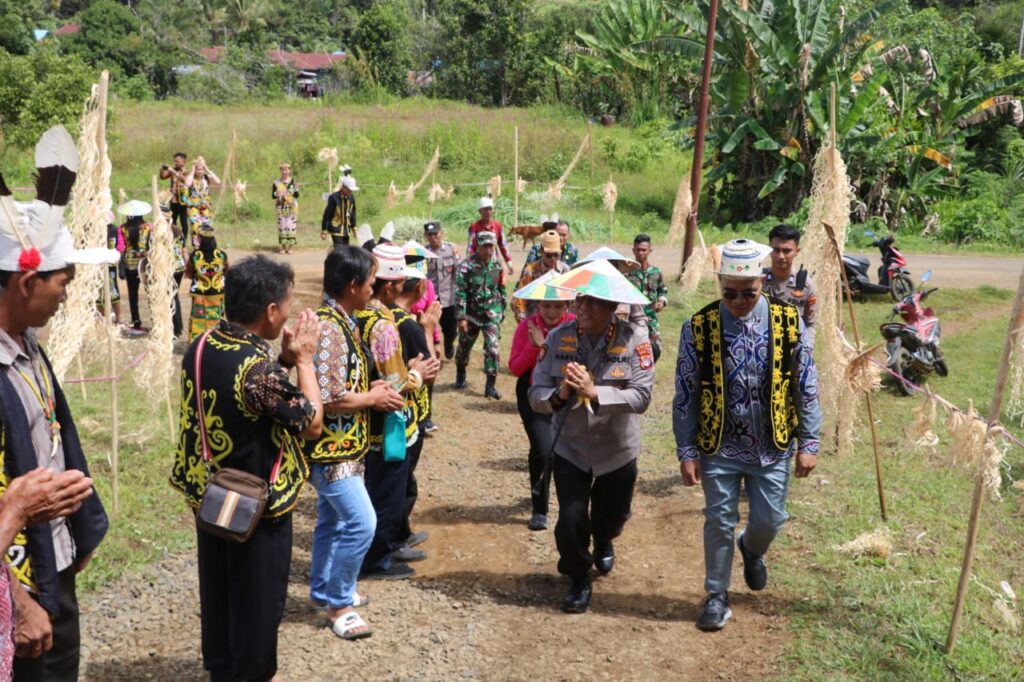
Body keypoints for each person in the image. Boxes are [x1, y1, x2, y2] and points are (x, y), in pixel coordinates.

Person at [171, 255, 324, 680]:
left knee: (219, 592)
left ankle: (222, 669)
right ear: (270, 310)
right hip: (256, 509)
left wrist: (283, 362)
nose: (289, 314)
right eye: (288, 305)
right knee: (256, 604)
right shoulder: (257, 371)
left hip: (211, 497)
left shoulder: (203, 343)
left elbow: (248, 397)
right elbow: (311, 423)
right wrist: (305, 361)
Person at [0, 131, 112, 681]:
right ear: (27, 281)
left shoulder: (26, 346)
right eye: (62, 282)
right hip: (15, 588)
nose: (66, 295)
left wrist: (74, 532)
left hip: (51, 565)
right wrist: (17, 603)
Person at [673, 238, 821, 632]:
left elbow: (806, 385)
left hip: (773, 446)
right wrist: (687, 450)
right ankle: (716, 595)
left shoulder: (788, 323)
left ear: (762, 282)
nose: (739, 301)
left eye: (748, 293)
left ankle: (751, 548)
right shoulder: (699, 327)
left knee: (770, 520)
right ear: (720, 285)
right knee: (719, 519)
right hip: (719, 445)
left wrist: (809, 441)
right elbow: (685, 392)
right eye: (730, 293)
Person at [528, 263, 655, 614]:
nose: (583, 307)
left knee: (611, 517)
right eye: (580, 299)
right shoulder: (558, 338)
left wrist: (594, 392)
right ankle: (578, 576)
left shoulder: (635, 340)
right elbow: (535, 392)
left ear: (612, 306)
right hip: (570, 446)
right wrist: (559, 394)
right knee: (570, 520)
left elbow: (641, 397)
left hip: (617, 449)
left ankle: (604, 541)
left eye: (594, 301)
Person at [304, 246, 405, 640]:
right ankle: (339, 604)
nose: (373, 289)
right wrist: (372, 398)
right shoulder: (330, 328)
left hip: (345, 444)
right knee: (362, 523)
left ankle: (323, 590)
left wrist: (368, 386)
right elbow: (328, 397)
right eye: (370, 282)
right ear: (352, 285)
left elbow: (339, 383)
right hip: (333, 449)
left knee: (331, 521)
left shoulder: (341, 321)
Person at [356, 245, 440, 581]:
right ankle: (378, 558)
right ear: (390, 286)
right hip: (386, 423)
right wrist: (417, 373)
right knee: (387, 492)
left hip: (364, 419)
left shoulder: (357, 313)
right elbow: (395, 384)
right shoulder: (383, 325)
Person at [508, 297, 574, 531]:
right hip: (533, 393)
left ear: (567, 306)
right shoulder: (526, 328)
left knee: (567, 452)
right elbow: (515, 367)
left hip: (567, 394)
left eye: (557, 306)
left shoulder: (575, 327)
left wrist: (545, 344)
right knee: (543, 450)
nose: (551, 312)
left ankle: (571, 506)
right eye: (546, 306)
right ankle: (539, 508)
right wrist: (534, 347)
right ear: (538, 306)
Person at [391, 265, 441, 557]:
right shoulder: (408, 326)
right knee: (403, 480)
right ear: (420, 288)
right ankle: (395, 539)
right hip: (410, 414)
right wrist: (429, 330)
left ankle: (401, 532)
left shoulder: (385, 317)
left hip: (395, 409)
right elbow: (430, 372)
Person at [453, 231, 506, 400]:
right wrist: (461, 317)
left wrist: (502, 310)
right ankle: (460, 374)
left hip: (491, 314)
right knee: (464, 347)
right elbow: (460, 292)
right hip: (471, 315)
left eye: (491, 246)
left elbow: (501, 288)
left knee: (493, 348)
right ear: (478, 246)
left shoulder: (497, 265)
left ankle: (490, 386)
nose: (489, 250)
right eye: (485, 246)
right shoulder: (466, 266)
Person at [764, 224, 817, 345]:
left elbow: (810, 324)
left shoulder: (806, 286)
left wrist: (806, 349)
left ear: (797, 251)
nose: (780, 256)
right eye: (776, 250)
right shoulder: (758, 280)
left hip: (792, 346)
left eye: (786, 251)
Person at [626, 234, 669, 363]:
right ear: (633, 250)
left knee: (655, 349)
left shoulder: (656, 272)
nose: (641, 253)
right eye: (638, 249)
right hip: (631, 319)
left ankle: (649, 371)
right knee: (631, 349)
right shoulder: (626, 273)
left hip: (651, 319)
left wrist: (662, 301)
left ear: (650, 251)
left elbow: (662, 290)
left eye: (644, 250)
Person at [511, 230, 569, 323]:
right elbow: (519, 300)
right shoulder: (530, 271)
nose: (553, 259)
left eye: (556, 255)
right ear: (541, 252)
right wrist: (524, 323)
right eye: (549, 255)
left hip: (559, 321)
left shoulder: (565, 271)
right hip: (535, 321)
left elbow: (571, 300)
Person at [423, 221, 460, 360]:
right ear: (426, 236)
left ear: (441, 233)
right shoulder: (424, 253)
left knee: (451, 330)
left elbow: (459, 270)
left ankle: (449, 343)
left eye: (435, 234)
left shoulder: (451, 250)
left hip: (448, 297)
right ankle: (431, 350)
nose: (433, 237)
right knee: (428, 326)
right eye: (430, 235)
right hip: (431, 297)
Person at [186, 225, 228, 340]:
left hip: (200, 293)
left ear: (201, 239)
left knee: (199, 319)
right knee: (217, 319)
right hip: (217, 293)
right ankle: (217, 340)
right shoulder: (221, 255)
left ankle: (198, 342)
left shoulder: (195, 256)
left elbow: (188, 274)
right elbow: (227, 271)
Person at [116, 203, 152, 332]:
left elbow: (121, 248)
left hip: (129, 265)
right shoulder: (148, 227)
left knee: (132, 295)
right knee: (151, 294)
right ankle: (155, 320)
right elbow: (151, 246)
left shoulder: (122, 229)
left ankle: (136, 322)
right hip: (145, 265)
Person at [181, 156, 221, 249]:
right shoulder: (191, 178)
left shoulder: (206, 178)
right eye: (198, 169)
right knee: (195, 226)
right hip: (193, 207)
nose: (200, 171)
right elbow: (187, 184)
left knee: (206, 227)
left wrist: (208, 169)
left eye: (202, 169)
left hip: (205, 207)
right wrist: (192, 171)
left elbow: (218, 181)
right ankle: (196, 246)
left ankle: (206, 246)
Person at [467, 197, 513, 276]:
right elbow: (470, 247)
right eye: (485, 210)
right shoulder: (475, 227)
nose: (488, 212)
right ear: (480, 211)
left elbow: (503, 245)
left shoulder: (497, 226)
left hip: (493, 263)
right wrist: (469, 264)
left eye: (490, 209)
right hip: (478, 264)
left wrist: (509, 263)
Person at [159, 152, 189, 244]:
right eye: (174, 161)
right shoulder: (173, 170)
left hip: (183, 200)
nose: (175, 163)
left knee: (184, 221)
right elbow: (162, 177)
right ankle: (173, 239)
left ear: (183, 161)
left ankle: (183, 241)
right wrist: (162, 169)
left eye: (177, 161)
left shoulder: (187, 171)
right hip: (173, 200)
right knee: (172, 220)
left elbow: (185, 180)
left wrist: (173, 172)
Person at [321, 176, 358, 247]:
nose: (351, 192)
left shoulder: (351, 198)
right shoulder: (333, 197)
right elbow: (327, 214)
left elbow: (352, 213)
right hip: (336, 228)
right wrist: (324, 230)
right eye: (349, 190)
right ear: (343, 187)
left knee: (346, 249)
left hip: (346, 230)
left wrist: (354, 227)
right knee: (340, 248)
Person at [272, 163, 299, 255]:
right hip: (280, 206)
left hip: (291, 206)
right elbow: (273, 195)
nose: (285, 172)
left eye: (286, 169)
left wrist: (296, 189)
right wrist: (277, 194)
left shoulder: (293, 182)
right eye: (283, 170)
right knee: (282, 227)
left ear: (289, 170)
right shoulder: (276, 182)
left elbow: (297, 195)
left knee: (291, 227)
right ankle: (283, 248)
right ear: (280, 170)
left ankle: (290, 248)